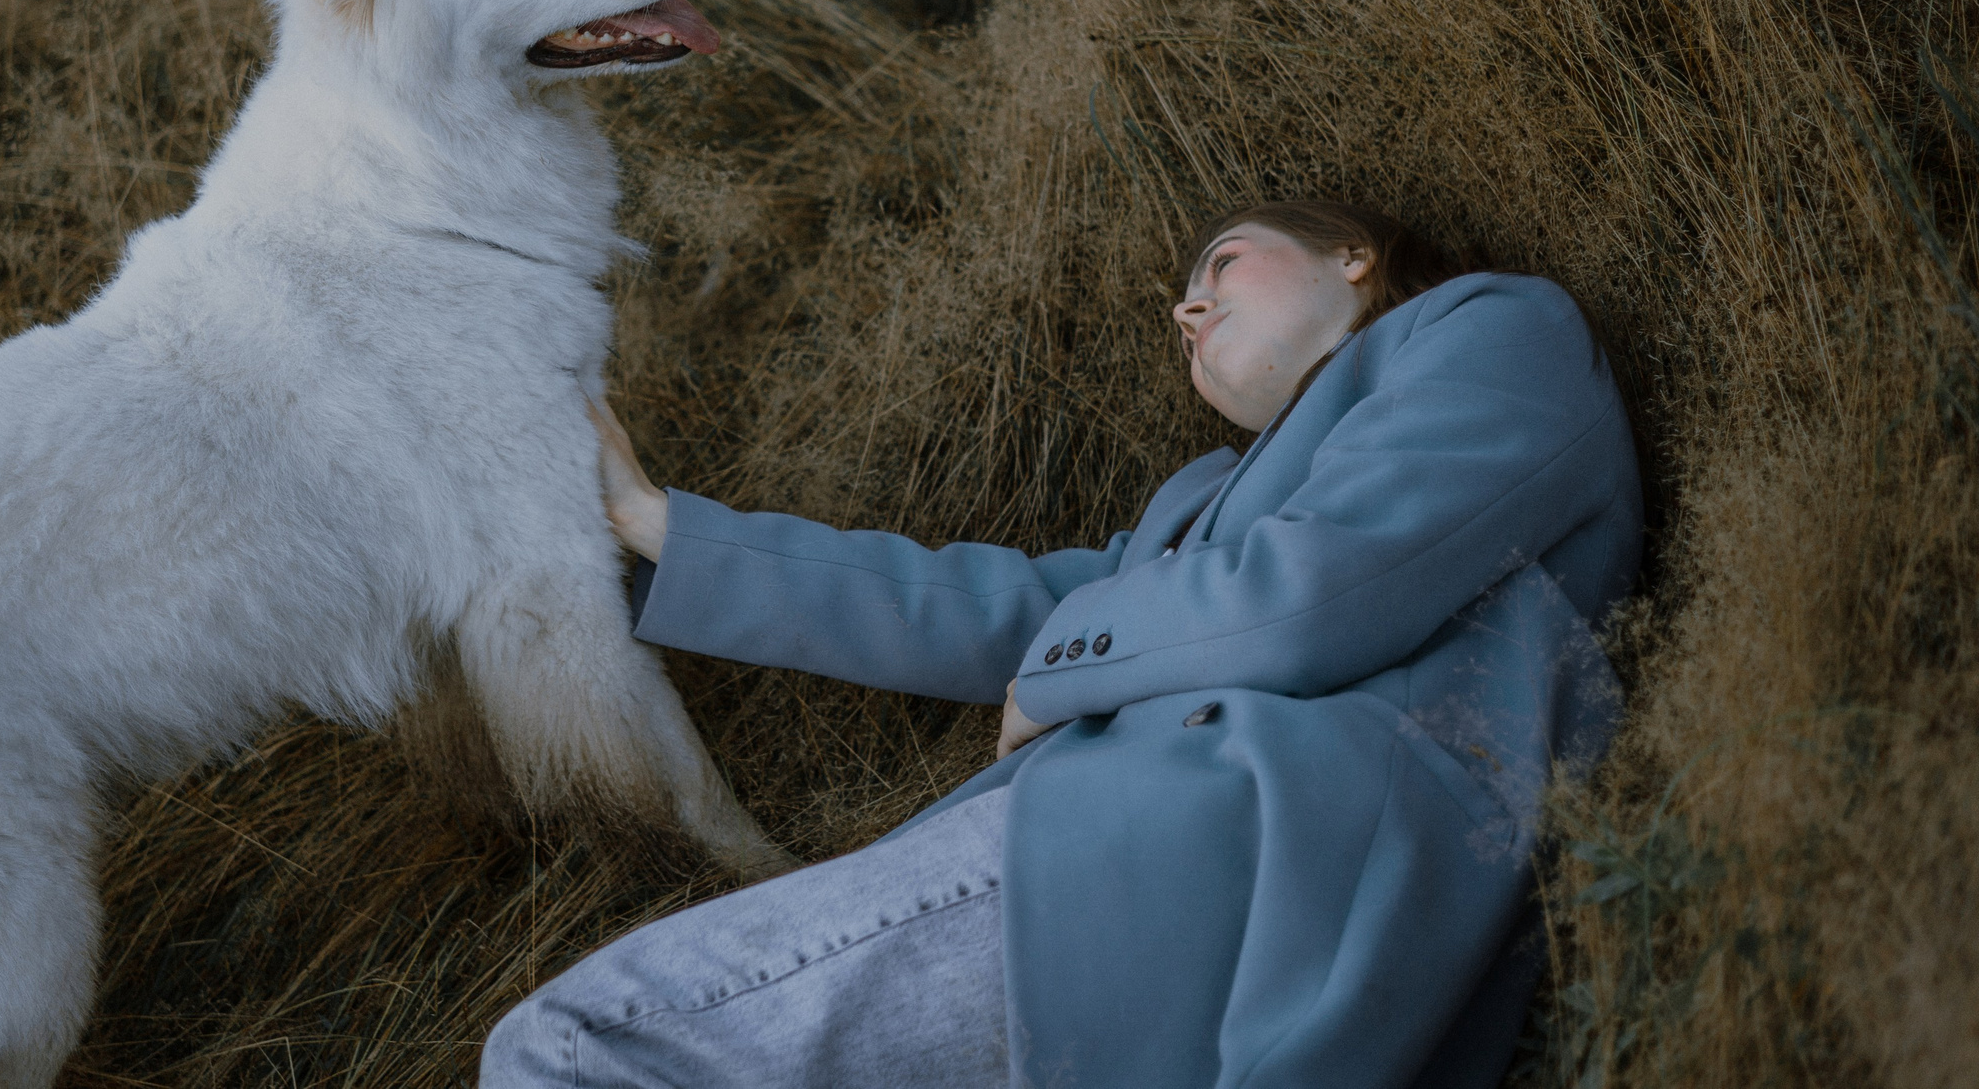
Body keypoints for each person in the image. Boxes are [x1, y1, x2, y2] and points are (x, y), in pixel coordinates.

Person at [480, 201, 1640, 1089]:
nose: (1186, 309)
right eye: (1182, 301)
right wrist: (655, 525)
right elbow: (982, 607)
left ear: (1352, 254)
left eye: (1223, 262)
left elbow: (1318, 594)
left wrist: (1056, 671)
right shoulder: (1202, 500)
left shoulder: (1488, 330)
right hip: (1152, 904)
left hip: (1208, 854)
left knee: (570, 1049)